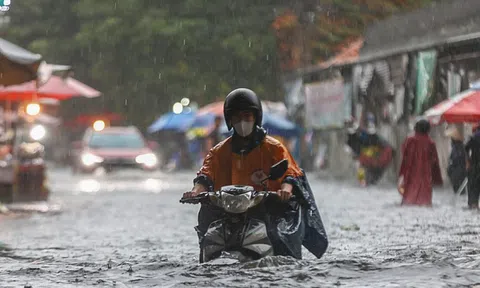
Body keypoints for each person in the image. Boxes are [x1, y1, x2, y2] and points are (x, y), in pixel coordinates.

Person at [182, 88, 328, 259]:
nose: (242, 121)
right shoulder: (219, 152)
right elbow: (205, 176)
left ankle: (286, 263)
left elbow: (290, 173)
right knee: (207, 225)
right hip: (228, 211)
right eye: (236, 117)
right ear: (229, 119)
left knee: (279, 237)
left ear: (256, 117)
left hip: (268, 209)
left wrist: (285, 190)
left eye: (247, 116)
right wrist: (195, 191)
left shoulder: (274, 148)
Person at [398, 119, 443, 206]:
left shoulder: (410, 140)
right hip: (425, 175)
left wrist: (402, 174)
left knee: (409, 199)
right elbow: (434, 162)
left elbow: (404, 156)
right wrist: (437, 179)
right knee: (424, 201)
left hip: (411, 173)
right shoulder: (431, 143)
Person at [445, 125, 467, 194]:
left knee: (458, 184)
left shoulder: (458, 146)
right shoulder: (458, 146)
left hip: (458, 168)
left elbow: (456, 157)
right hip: (458, 168)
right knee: (458, 184)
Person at [465, 123, 480, 209]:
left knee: (473, 186)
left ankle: (473, 204)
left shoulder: (473, 137)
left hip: (474, 164)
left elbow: (466, 148)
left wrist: (468, 160)